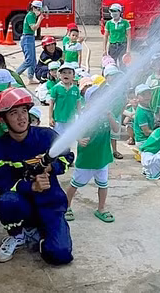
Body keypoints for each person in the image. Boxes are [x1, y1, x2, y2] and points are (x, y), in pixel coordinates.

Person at [0, 88, 74, 265]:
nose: (21, 117)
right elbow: (0, 182)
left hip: (50, 204)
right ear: (3, 119)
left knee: (60, 255)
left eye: (24, 111)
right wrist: (31, 187)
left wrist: (51, 167)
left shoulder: (46, 136)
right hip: (22, 203)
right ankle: (17, 235)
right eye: (14, 113)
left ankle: (40, 235)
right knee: (6, 201)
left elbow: (68, 158)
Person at [64, 88, 118, 224]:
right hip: (87, 159)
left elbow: (117, 129)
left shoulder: (107, 114)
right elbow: (72, 131)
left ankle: (101, 208)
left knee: (103, 184)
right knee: (75, 184)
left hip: (103, 158)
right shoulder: (84, 115)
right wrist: (79, 140)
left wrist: (110, 115)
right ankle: (66, 206)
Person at [16, 0, 45, 84]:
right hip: (27, 38)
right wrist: (40, 20)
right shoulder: (30, 16)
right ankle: (16, 74)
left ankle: (30, 78)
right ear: (33, 7)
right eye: (38, 9)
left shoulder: (32, 15)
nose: (39, 11)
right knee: (29, 60)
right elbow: (33, 28)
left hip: (30, 38)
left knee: (33, 60)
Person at [49, 62, 80, 135]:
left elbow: (78, 103)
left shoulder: (76, 89)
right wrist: (50, 118)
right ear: (60, 75)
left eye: (69, 73)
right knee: (57, 138)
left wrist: (80, 116)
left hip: (71, 119)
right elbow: (51, 104)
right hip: (58, 119)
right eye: (64, 72)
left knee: (68, 140)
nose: (66, 75)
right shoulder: (56, 88)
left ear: (73, 76)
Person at [102, 3, 130, 70]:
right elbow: (105, 36)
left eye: (115, 11)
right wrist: (104, 49)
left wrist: (128, 49)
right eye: (112, 11)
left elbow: (129, 36)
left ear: (120, 12)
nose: (114, 13)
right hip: (112, 46)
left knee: (122, 64)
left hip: (122, 45)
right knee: (111, 64)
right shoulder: (108, 23)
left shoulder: (125, 22)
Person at [132, 84, 155, 149]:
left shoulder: (148, 107)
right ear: (137, 98)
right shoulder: (141, 112)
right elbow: (146, 132)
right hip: (143, 140)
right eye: (143, 95)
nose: (147, 96)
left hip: (148, 138)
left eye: (149, 94)